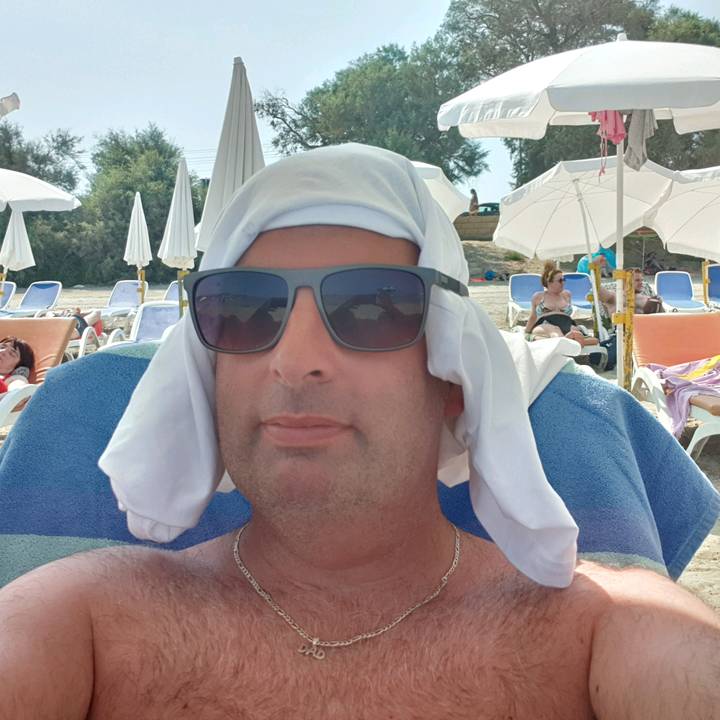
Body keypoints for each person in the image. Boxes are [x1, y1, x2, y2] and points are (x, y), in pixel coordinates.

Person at [0, 144, 718, 718]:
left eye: (372, 307)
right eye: (245, 311)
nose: (294, 362)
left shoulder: (598, 634)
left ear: (453, 378)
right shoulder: (83, 623)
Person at [524, 261, 598, 346]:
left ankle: (565, 342)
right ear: (549, 282)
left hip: (566, 323)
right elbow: (533, 317)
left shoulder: (566, 295)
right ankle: (567, 342)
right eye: (560, 280)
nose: (563, 282)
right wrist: (526, 332)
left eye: (564, 280)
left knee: (590, 339)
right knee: (555, 331)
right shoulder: (539, 296)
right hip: (545, 324)